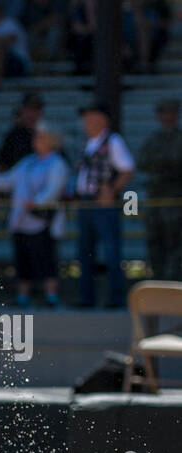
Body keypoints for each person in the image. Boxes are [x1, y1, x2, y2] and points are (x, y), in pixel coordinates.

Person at [0, 122, 68, 307]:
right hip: (22, 220)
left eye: (41, 137)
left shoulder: (58, 163)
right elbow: (9, 180)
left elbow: (54, 188)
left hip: (43, 220)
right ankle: (22, 296)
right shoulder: (28, 161)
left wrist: (38, 201)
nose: (37, 140)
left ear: (52, 141)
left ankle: (50, 296)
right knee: (22, 259)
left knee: (46, 259)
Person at [72, 102, 134, 308]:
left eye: (91, 117)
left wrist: (112, 189)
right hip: (86, 203)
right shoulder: (88, 143)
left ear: (103, 119)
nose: (87, 122)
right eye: (86, 118)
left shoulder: (113, 140)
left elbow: (127, 169)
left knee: (111, 250)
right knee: (85, 251)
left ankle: (116, 297)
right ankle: (86, 297)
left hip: (102, 204)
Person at [137, 98, 182, 282]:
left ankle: (174, 282)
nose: (166, 116)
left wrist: (162, 166)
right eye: (163, 112)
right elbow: (142, 162)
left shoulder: (179, 138)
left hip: (175, 199)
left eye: (170, 112)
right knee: (154, 242)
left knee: (176, 243)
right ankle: (159, 281)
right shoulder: (153, 139)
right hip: (156, 199)